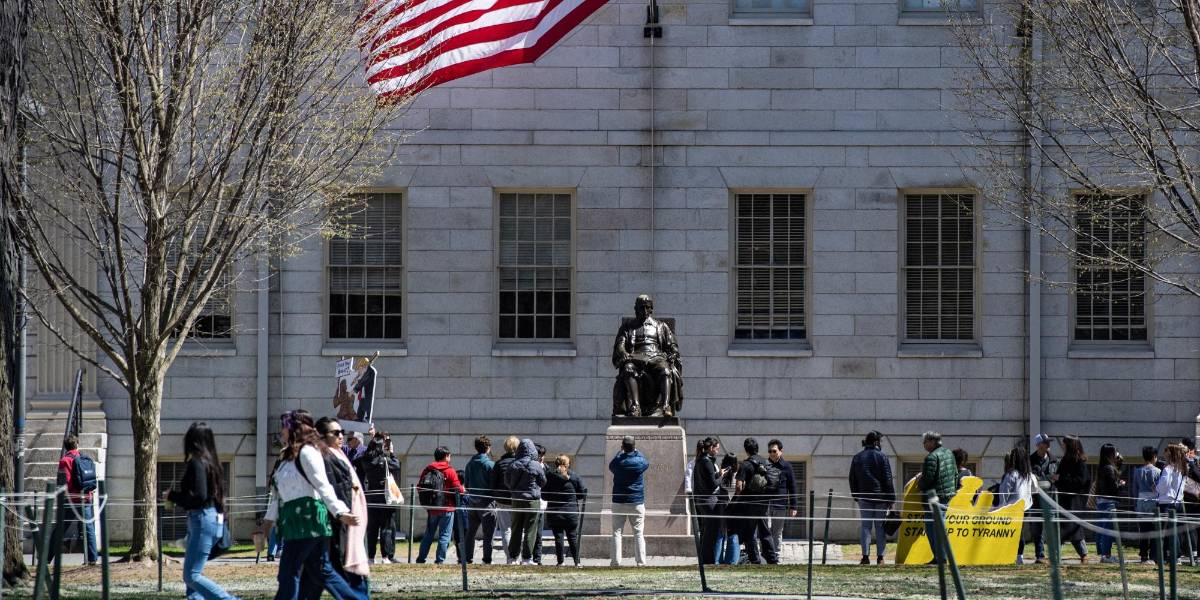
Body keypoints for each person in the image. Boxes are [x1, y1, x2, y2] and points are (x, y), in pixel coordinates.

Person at [261, 410, 360, 600]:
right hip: (293, 522)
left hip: (308, 522)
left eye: (284, 427)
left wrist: (340, 512)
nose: (281, 431)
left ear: (295, 428)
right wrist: (267, 522)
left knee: (288, 571)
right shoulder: (286, 457)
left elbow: (323, 485)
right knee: (322, 571)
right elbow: (278, 494)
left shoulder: (308, 452)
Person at [162, 423, 234, 600]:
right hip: (209, 519)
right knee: (192, 581)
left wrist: (173, 496)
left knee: (192, 576)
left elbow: (199, 495)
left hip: (202, 520)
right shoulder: (212, 463)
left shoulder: (196, 463)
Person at [306, 417, 370, 599]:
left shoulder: (337, 454)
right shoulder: (325, 458)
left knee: (317, 576)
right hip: (339, 524)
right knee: (345, 573)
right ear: (322, 435)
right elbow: (335, 490)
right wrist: (343, 515)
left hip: (348, 523)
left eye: (342, 432)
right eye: (336, 433)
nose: (341, 436)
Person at [848, 430, 895, 566]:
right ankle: (880, 557)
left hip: (863, 497)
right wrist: (891, 499)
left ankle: (865, 557)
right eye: (880, 441)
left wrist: (856, 495)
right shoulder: (882, 457)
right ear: (876, 442)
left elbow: (852, 478)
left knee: (865, 527)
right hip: (880, 498)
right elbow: (888, 479)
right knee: (880, 527)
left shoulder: (857, 457)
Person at [354, 434, 402, 563]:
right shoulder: (385, 460)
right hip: (385, 497)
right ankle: (385, 557)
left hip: (371, 496)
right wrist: (391, 453)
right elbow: (396, 465)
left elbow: (356, 462)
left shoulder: (365, 460)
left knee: (372, 528)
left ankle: (370, 557)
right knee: (386, 527)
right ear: (381, 447)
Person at [415, 446, 466, 564]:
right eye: (449, 455)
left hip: (432, 508)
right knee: (445, 536)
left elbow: (419, 487)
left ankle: (421, 559)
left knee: (428, 535)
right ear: (446, 456)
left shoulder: (428, 469)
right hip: (447, 508)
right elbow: (458, 489)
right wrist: (463, 489)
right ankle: (439, 560)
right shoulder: (450, 470)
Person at [733, 437, 778, 565]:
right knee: (765, 532)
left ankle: (755, 560)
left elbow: (738, 486)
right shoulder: (766, 462)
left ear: (746, 450)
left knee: (750, 532)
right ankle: (772, 559)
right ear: (757, 448)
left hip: (750, 504)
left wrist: (738, 498)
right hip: (764, 503)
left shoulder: (745, 464)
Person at [57, 434, 98, 566]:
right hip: (86, 497)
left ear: (66, 447)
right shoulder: (84, 458)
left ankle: (46, 557)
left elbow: (66, 482)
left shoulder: (65, 461)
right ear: (77, 445)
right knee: (89, 527)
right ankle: (92, 558)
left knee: (61, 527)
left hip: (72, 499)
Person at [609, 435, 650, 567]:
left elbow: (611, 465)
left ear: (622, 447)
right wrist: (636, 451)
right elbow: (646, 462)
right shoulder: (639, 461)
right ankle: (641, 562)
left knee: (617, 532)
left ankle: (615, 562)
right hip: (636, 501)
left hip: (619, 501)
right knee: (638, 533)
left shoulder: (618, 462)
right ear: (634, 447)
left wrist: (619, 452)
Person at [915, 431, 956, 564]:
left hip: (933, 497)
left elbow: (928, 479)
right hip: (947, 495)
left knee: (931, 528)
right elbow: (955, 474)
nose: (923, 444)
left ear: (932, 442)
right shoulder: (949, 453)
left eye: (925, 442)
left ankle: (940, 557)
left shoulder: (931, 457)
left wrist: (919, 483)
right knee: (939, 526)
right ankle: (940, 557)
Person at [505, 439, 547, 565]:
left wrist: (515, 490)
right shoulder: (536, 465)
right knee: (530, 529)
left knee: (515, 528)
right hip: (532, 501)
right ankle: (527, 558)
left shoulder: (513, 464)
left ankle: (512, 557)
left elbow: (507, 481)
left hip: (516, 500)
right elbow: (543, 481)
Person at [544, 454, 587, 567]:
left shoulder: (549, 476)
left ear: (556, 464)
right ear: (568, 464)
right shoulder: (574, 476)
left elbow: (544, 495)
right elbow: (582, 494)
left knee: (558, 538)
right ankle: (577, 562)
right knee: (573, 538)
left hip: (554, 512)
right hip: (571, 512)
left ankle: (560, 562)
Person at [1053, 435, 1090, 563]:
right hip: (1064, 499)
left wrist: (1061, 479)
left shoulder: (1080, 462)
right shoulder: (1065, 460)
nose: (1062, 445)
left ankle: (1083, 554)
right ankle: (1055, 556)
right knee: (1061, 528)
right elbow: (1060, 476)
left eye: (1064, 443)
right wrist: (1056, 479)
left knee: (1073, 528)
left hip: (1075, 501)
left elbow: (1081, 481)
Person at [463, 435, 498, 564]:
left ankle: (467, 558)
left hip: (472, 501)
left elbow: (466, 484)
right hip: (487, 502)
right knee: (488, 533)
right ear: (488, 448)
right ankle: (487, 559)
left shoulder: (469, 464)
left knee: (471, 532)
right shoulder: (490, 465)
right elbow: (494, 485)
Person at [1154, 443, 1190, 565]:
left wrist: (1156, 487)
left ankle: (1169, 556)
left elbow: (1163, 486)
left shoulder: (1169, 468)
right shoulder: (1182, 468)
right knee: (1174, 531)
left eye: (1166, 451)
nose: (1164, 453)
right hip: (1177, 502)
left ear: (1171, 453)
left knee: (1165, 532)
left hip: (1166, 502)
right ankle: (1175, 556)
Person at [691, 437, 726, 565]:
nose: (717, 451)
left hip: (701, 500)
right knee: (711, 533)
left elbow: (708, 479)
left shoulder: (700, 460)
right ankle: (708, 561)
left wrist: (718, 474)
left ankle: (704, 559)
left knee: (706, 531)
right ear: (711, 448)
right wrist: (722, 476)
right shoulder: (707, 462)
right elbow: (713, 485)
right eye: (717, 448)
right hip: (709, 501)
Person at [998, 446, 1035, 564]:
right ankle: (1019, 556)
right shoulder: (1029, 475)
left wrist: (1001, 508)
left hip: (1011, 509)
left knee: (1009, 533)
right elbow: (1035, 489)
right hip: (1025, 508)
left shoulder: (1011, 474)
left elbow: (1004, 492)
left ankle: (1007, 555)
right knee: (1020, 532)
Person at [1027, 433, 1058, 564]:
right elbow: (1029, 478)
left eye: (1049, 442)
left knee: (1052, 528)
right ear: (1039, 445)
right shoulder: (1030, 460)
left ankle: (1054, 554)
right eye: (1046, 442)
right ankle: (1040, 555)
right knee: (1037, 529)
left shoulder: (1054, 460)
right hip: (1036, 500)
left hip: (1050, 498)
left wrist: (1054, 478)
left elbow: (1057, 476)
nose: (1048, 444)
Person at [1094, 443, 1126, 564]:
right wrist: (1121, 484)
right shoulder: (1109, 468)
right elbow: (1113, 488)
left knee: (1102, 528)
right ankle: (1106, 555)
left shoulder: (1102, 467)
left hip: (1101, 501)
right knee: (1108, 529)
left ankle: (1103, 553)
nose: (1116, 454)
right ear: (1110, 454)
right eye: (1114, 452)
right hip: (1109, 502)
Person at [765, 439, 798, 557]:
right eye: (769, 451)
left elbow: (792, 487)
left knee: (777, 532)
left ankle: (776, 556)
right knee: (765, 531)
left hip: (780, 505)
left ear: (781, 451)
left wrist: (794, 506)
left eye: (774, 451)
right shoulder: (764, 465)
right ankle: (766, 555)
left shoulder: (787, 466)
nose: (772, 454)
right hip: (766, 505)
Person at [491, 436, 520, 561]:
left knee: (506, 530)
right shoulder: (521, 463)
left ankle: (510, 558)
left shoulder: (499, 464)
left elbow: (493, 483)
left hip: (502, 501)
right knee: (517, 530)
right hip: (518, 500)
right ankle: (517, 556)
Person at [1130, 446, 1162, 563]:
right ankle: (1153, 555)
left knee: (1143, 530)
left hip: (1141, 502)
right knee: (1154, 529)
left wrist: (1135, 503)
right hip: (1153, 502)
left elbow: (1134, 489)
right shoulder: (1158, 471)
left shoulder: (1137, 471)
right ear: (1154, 457)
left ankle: (1143, 555)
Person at [718, 450, 741, 565]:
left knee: (721, 534)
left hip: (723, 506)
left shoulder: (722, 475)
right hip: (735, 506)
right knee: (733, 534)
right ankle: (731, 561)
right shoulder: (739, 475)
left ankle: (717, 559)